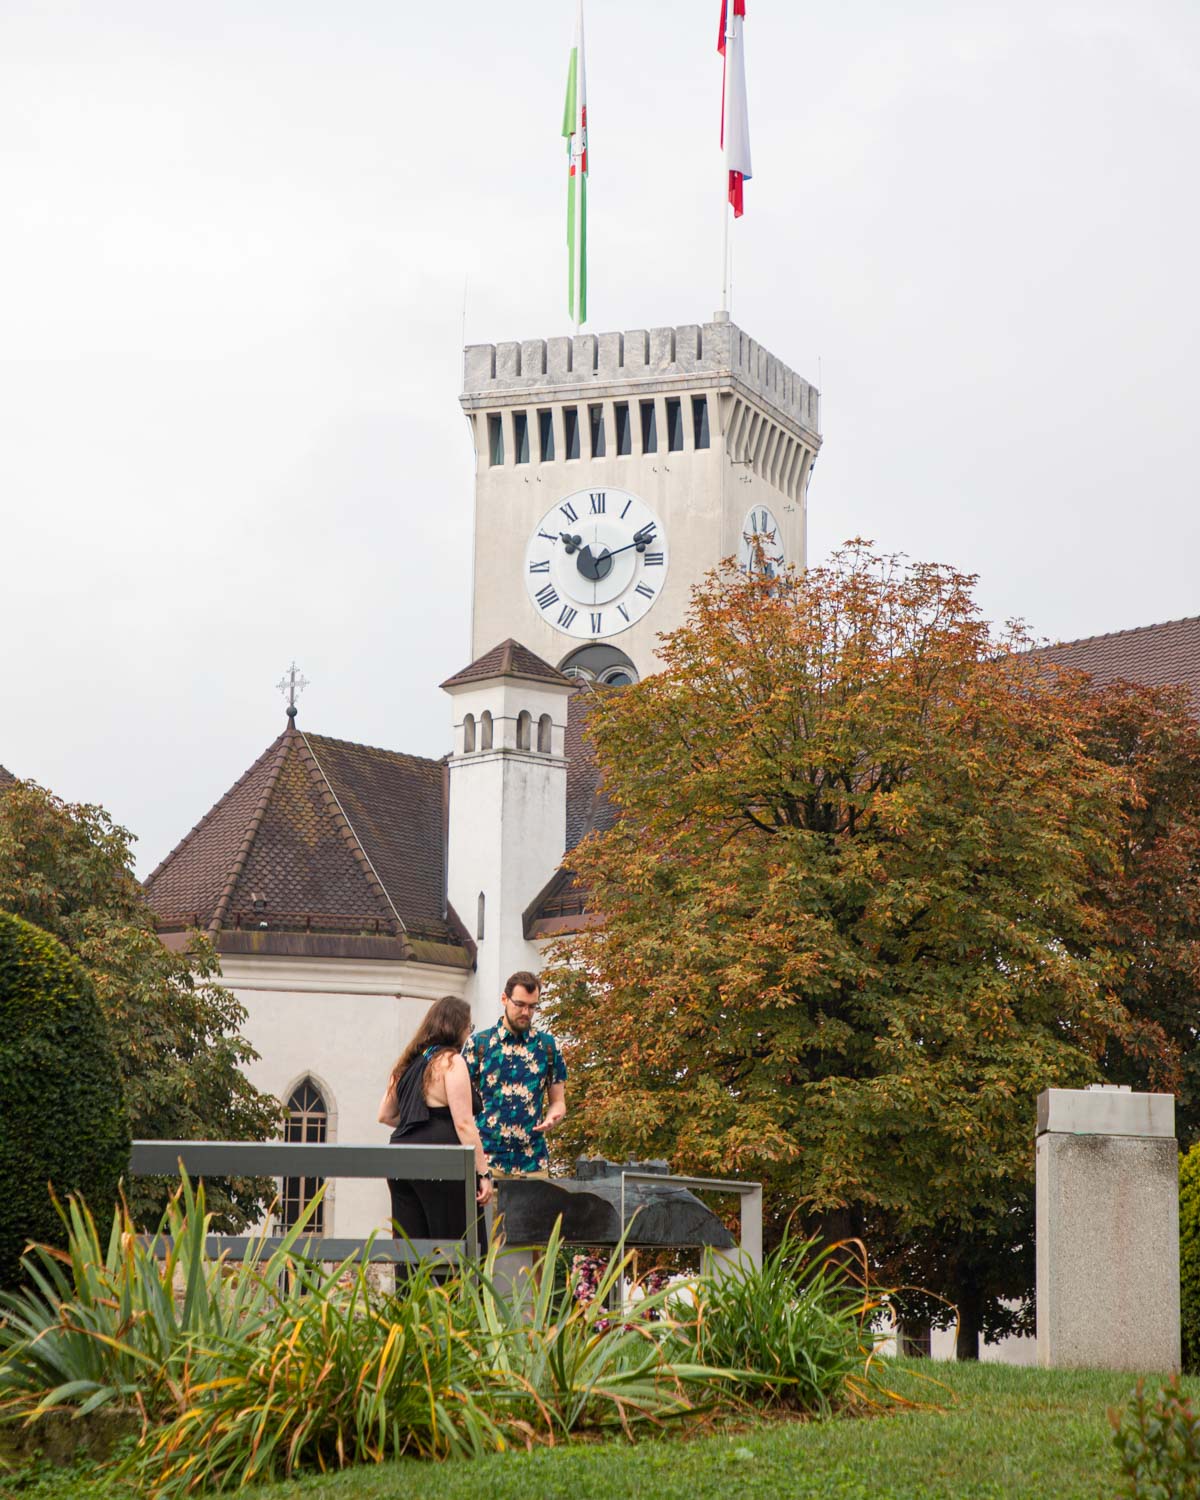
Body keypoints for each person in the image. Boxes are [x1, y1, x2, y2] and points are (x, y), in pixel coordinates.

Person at [378, 994, 493, 1249]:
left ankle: (411, 1291)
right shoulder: (451, 1062)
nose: (468, 1034)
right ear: (457, 1027)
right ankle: (453, 1290)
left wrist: (418, 1124)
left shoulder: (407, 1064)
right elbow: (463, 1123)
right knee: (456, 1245)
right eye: (468, 1028)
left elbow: (385, 1115)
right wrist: (484, 1173)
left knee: (411, 1250)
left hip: (399, 1160)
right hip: (441, 1163)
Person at [464, 970, 567, 1180]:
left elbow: (559, 1101)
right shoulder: (479, 1044)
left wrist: (553, 1116)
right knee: (485, 1215)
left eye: (532, 1007)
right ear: (504, 999)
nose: (526, 1012)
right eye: (519, 1004)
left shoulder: (547, 1046)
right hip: (487, 1161)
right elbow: (460, 1102)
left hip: (533, 1162)